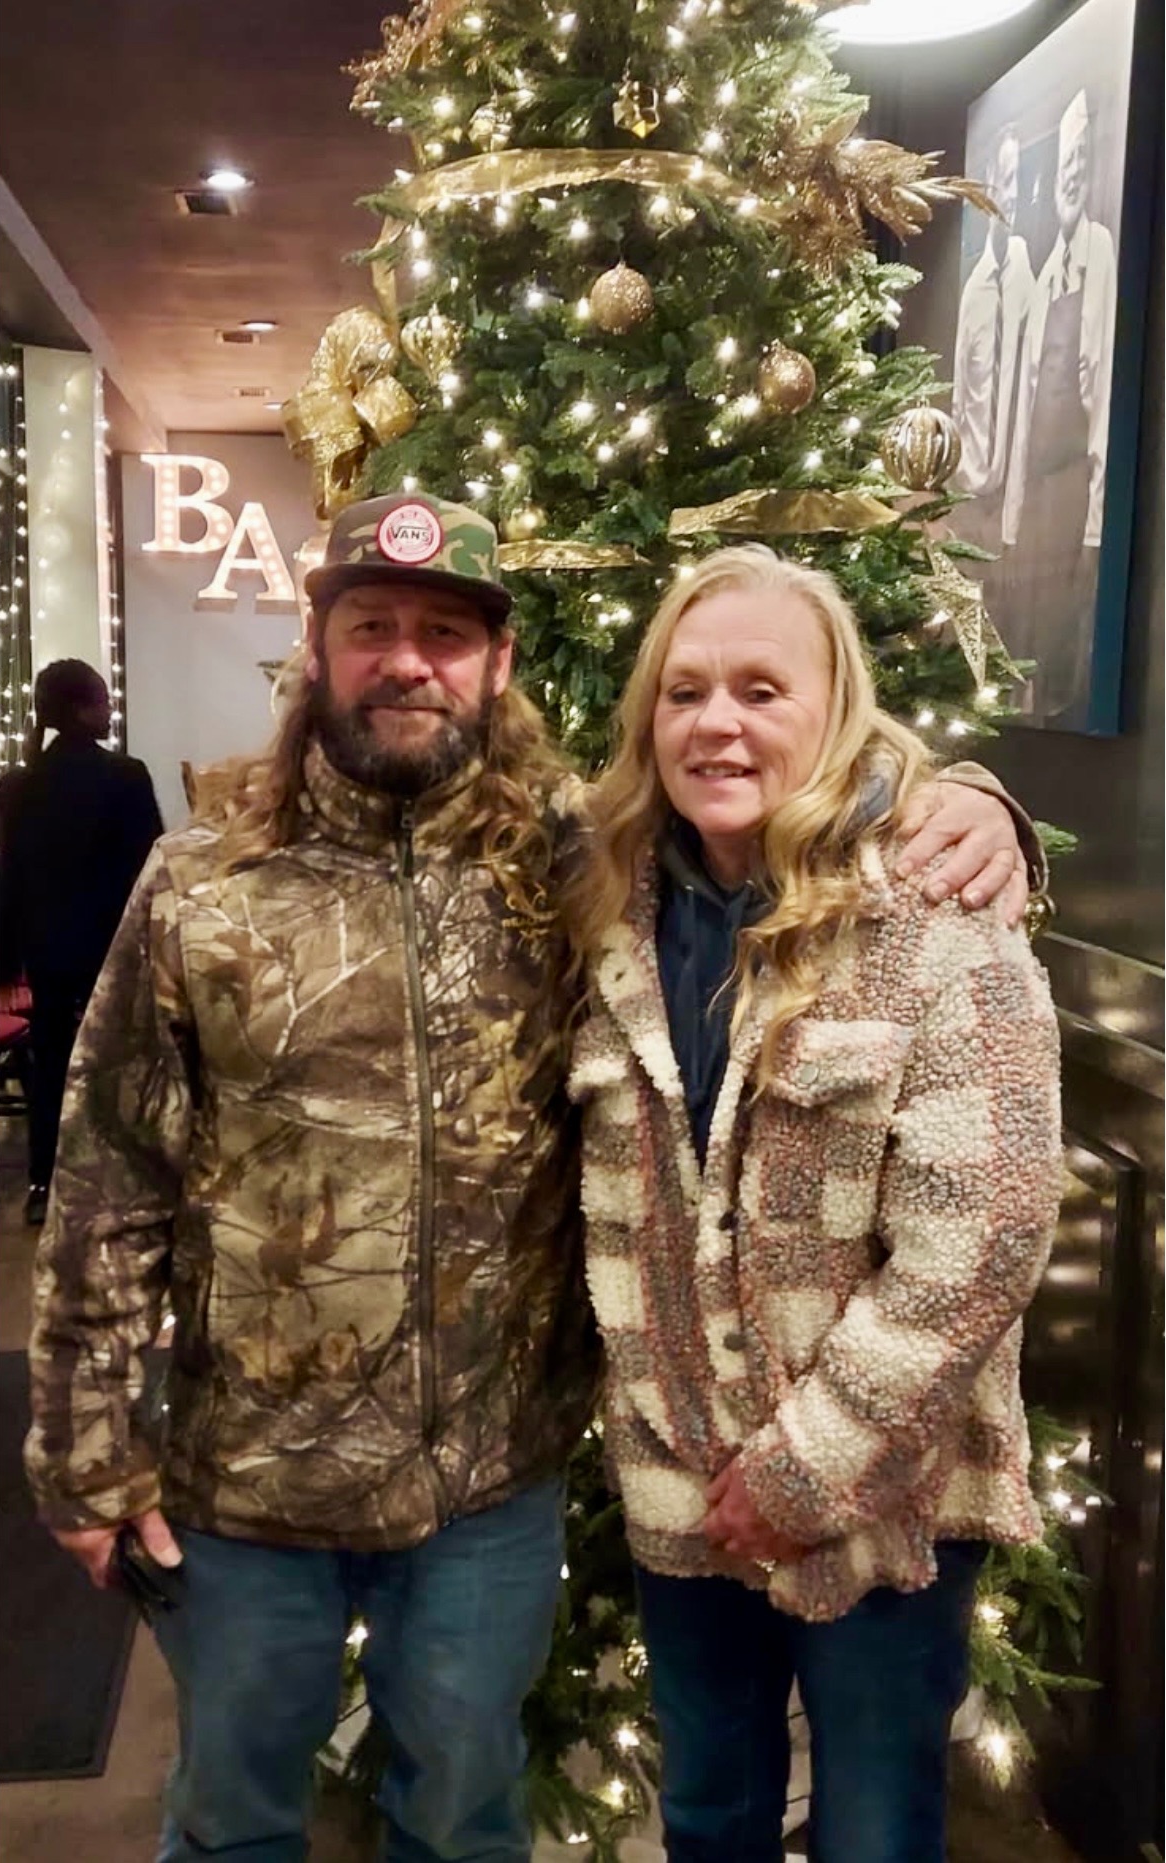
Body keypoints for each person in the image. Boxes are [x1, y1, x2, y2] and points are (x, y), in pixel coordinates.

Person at [26, 493, 1032, 1863]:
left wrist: (976, 801)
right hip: (244, 1480)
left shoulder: (571, 863)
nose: (406, 660)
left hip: (485, 1488)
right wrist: (84, 1452)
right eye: (370, 627)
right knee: (230, 1819)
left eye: (444, 634)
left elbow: (799, 811)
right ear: (317, 650)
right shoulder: (202, 879)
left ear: (497, 664)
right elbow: (108, 1176)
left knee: (464, 1821)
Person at [566, 545, 1062, 1863]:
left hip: (886, 1491)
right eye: (683, 692)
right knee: (707, 1810)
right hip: (682, 1479)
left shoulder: (935, 913)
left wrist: (805, 1467)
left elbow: (985, 1231)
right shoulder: (607, 903)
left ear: (833, 707)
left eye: (758, 689)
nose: (714, 723)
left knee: (872, 1828)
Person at [0, 658, 162, 1224]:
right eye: (102, 700)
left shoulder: (18, 784)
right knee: (116, 1060)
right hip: (111, 945)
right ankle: (112, 1175)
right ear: (81, 709)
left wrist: (7, 959)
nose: (110, 708)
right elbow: (147, 873)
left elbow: (10, 875)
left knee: (50, 1065)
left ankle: (44, 1181)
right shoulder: (126, 775)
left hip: (45, 949)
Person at [1001, 89, 1118, 726]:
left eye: (1081, 160)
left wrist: (1095, 525)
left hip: (1074, 493)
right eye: (1063, 162)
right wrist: (1014, 517)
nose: (1071, 174)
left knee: (1061, 659)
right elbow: (1023, 409)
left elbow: (1100, 403)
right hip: (1038, 500)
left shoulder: (1099, 256)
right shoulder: (1046, 275)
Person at [951, 123, 1035, 547]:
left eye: (1018, 180)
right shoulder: (974, 292)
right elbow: (960, 395)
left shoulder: (1028, 280)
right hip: (970, 489)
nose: (1012, 194)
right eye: (1005, 179)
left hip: (1011, 490)